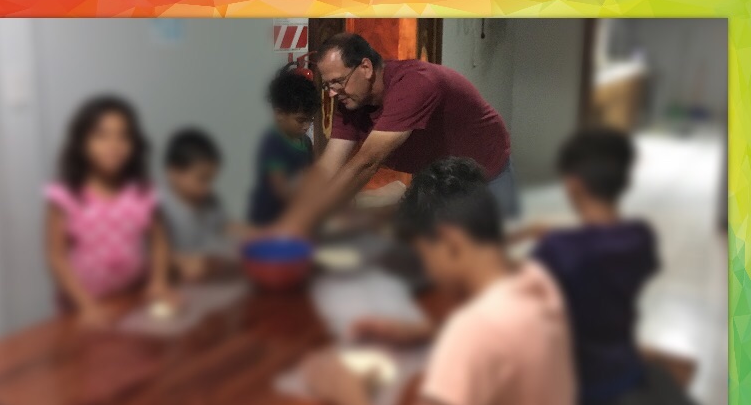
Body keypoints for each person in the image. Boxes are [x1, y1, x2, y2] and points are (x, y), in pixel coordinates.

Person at [304, 157, 575, 405]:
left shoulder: (469, 335)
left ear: (449, 241)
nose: (427, 266)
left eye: (424, 252)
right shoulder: (534, 279)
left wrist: (349, 396)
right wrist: (422, 332)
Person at [270, 33, 517, 238]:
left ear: (365, 67)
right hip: (436, 177)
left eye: (338, 82)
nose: (333, 93)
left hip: (486, 171)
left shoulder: (414, 84)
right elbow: (329, 165)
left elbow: (366, 162)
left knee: (491, 258)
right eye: (328, 86)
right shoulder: (350, 100)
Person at [531, 128, 704, 405]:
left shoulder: (556, 250)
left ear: (573, 185)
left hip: (579, 385)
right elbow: (600, 249)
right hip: (626, 368)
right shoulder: (640, 237)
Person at [45, 96, 176, 328]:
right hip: (81, 307)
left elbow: (159, 242)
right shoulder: (65, 196)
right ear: (81, 142)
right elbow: (57, 257)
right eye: (101, 135)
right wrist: (87, 306)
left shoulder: (143, 193)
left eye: (123, 136)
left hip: (132, 298)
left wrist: (159, 282)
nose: (114, 144)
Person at [161, 128, 250, 283]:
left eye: (211, 179)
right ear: (173, 173)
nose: (208, 187)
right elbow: (145, 255)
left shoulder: (209, 201)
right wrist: (180, 262)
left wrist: (262, 235)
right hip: (172, 282)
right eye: (202, 179)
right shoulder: (158, 206)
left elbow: (225, 226)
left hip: (207, 278)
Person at [247, 64, 321, 226]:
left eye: (310, 120)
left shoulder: (305, 142)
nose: (306, 126)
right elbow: (280, 189)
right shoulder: (272, 143)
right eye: (301, 120)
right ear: (279, 114)